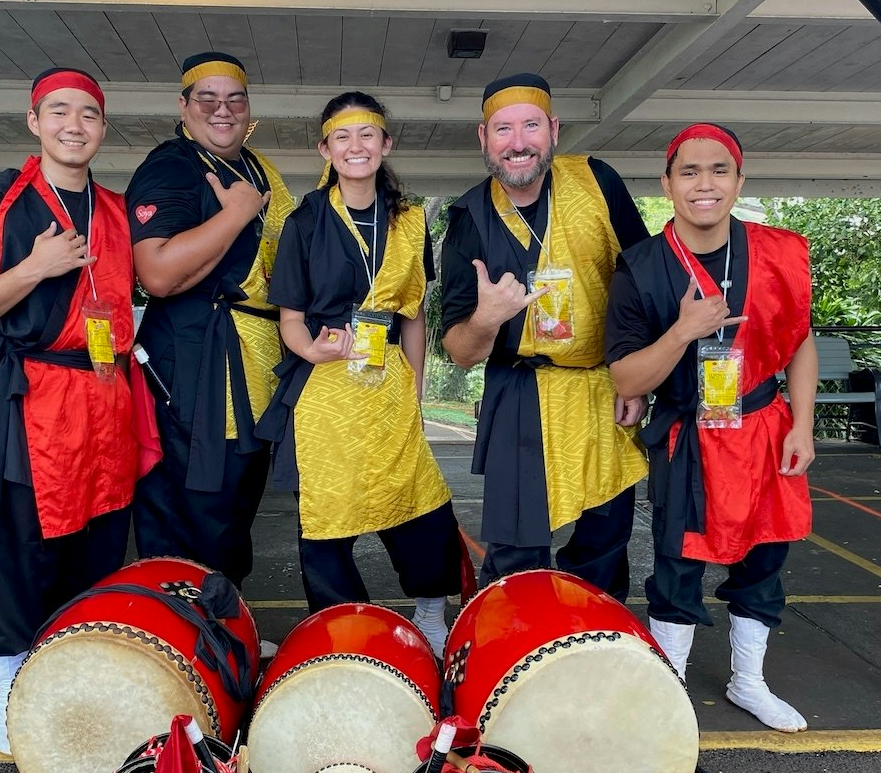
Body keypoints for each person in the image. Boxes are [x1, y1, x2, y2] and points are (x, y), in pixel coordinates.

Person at [0, 67, 158, 753]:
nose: (74, 124)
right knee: (21, 550)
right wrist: (34, 268)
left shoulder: (118, 211)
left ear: (102, 128)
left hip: (104, 396)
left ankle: (72, 675)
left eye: (89, 113)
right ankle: (11, 687)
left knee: (96, 549)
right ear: (34, 122)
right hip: (31, 397)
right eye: (59, 111)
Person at [606, 123, 815, 732]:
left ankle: (748, 681)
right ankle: (669, 690)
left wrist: (803, 424)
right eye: (690, 172)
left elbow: (799, 342)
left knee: (765, 559)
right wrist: (682, 331)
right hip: (687, 435)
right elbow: (625, 379)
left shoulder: (779, 251)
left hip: (764, 425)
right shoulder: (641, 267)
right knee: (678, 563)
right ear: (667, 184)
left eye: (719, 170)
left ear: (739, 180)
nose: (705, 184)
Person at [258, 92, 468, 654]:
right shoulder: (305, 221)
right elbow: (292, 318)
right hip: (327, 387)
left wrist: (415, 390)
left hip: (390, 379)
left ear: (386, 144)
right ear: (326, 148)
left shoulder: (408, 221)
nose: (356, 147)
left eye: (367, 135)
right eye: (342, 137)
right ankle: (343, 628)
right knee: (329, 508)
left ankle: (430, 612)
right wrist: (312, 352)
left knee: (419, 495)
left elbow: (415, 313)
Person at [440, 72, 650, 596]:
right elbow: (458, 353)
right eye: (503, 129)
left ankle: (591, 646)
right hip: (520, 390)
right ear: (483, 138)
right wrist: (488, 317)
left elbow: (644, 283)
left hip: (602, 386)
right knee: (516, 547)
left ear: (553, 129)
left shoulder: (598, 182)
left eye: (531, 125)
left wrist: (636, 380)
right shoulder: (469, 218)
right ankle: (511, 658)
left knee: (606, 533)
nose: (518, 143)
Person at [125, 52, 296, 586]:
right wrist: (236, 214)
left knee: (235, 503)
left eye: (234, 100)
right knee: (195, 503)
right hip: (197, 358)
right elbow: (154, 273)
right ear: (184, 106)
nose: (222, 111)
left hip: (256, 355)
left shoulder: (258, 167)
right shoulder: (171, 164)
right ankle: (183, 634)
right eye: (207, 99)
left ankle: (223, 627)